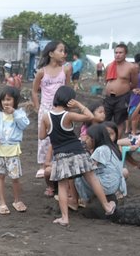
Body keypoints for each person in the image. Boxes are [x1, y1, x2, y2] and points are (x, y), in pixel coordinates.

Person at [45, 85, 116, 226]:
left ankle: (65, 218)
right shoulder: (68, 115)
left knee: (63, 186)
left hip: (60, 154)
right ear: (69, 100)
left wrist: (54, 131)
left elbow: (42, 135)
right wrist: (78, 104)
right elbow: (90, 116)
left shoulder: (46, 116)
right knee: (91, 177)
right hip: (77, 151)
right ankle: (107, 206)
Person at [31, 41, 70, 188]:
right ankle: (44, 166)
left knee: (60, 137)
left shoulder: (65, 70)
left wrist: (68, 108)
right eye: (60, 50)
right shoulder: (42, 72)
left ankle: (58, 165)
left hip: (61, 109)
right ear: (51, 53)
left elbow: (68, 89)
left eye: (64, 51)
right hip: (46, 108)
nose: (63, 54)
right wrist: (38, 107)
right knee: (44, 139)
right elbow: (34, 91)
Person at [0, 87, 31, 215]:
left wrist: (14, 113)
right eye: (3, 100)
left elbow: (24, 124)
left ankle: (17, 200)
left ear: (15, 101)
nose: (5, 102)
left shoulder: (20, 114)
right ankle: (2, 202)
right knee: (0, 176)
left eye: (8, 99)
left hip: (12, 151)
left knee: (15, 177)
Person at [76, 123, 127, 206]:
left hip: (107, 185)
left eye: (88, 138)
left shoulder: (100, 150)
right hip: (116, 185)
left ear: (95, 139)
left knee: (78, 175)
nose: (85, 141)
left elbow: (89, 166)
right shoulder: (112, 147)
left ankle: (83, 199)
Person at [102, 43, 137, 131]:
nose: (117, 55)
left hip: (122, 98)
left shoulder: (131, 67)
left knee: (119, 121)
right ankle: (105, 138)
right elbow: (106, 80)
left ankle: (117, 139)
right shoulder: (109, 66)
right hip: (109, 97)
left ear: (125, 54)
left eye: (120, 53)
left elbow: (134, 83)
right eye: (116, 52)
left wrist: (123, 89)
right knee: (104, 119)